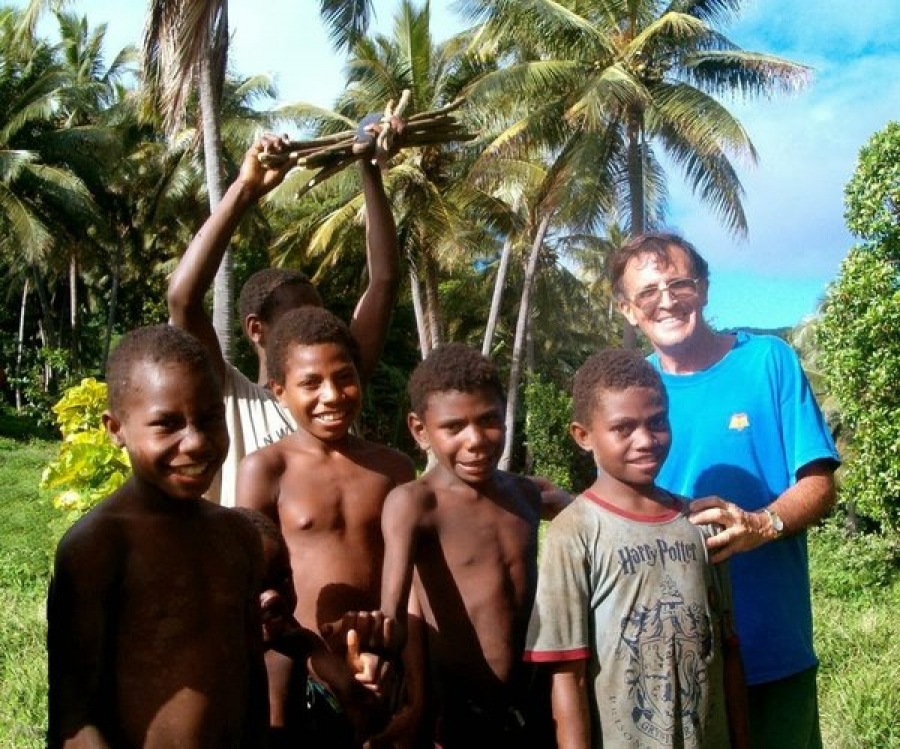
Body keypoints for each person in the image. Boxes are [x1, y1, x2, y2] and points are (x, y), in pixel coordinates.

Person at [609, 232, 839, 749]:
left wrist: (762, 525)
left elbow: (819, 484)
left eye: (680, 284)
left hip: (772, 649)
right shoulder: (629, 394)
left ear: (705, 288)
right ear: (628, 310)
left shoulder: (768, 362)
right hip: (673, 663)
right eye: (647, 292)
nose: (667, 301)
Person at [46, 324, 268, 748]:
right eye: (167, 424)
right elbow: (73, 716)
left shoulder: (238, 536)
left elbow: (252, 682)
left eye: (210, 418)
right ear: (115, 428)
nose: (196, 442)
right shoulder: (99, 547)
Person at [524, 348, 748, 748]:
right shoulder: (574, 532)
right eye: (623, 428)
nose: (645, 440)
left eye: (657, 422)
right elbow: (568, 675)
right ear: (583, 436)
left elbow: (728, 651)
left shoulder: (700, 524)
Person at [168, 126, 402, 506]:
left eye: (319, 315)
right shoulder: (231, 396)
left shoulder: (337, 392)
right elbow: (183, 299)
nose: (315, 329)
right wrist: (246, 188)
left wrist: (369, 165)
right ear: (256, 329)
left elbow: (384, 280)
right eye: (300, 315)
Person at [236, 306, 418, 747]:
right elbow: (252, 584)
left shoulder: (393, 468)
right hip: (300, 668)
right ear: (280, 391)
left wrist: (393, 652)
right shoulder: (266, 469)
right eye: (311, 383)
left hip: (383, 665)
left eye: (344, 377)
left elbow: (413, 578)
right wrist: (321, 660)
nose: (332, 395)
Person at [378, 342, 555, 748]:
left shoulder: (525, 495)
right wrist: (376, 649)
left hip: (533, 700)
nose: (475, 440)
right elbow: (394, 611)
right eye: (454, 427)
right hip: (457, 710)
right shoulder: (415, 503)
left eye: (489, 419)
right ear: (420, 430)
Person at [232, 506, 387, 748]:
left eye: (283, 579)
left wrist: (352, 679)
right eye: (256, 586)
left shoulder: (301, 644)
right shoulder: (217, 663)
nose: (273, 598)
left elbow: (363, 712)